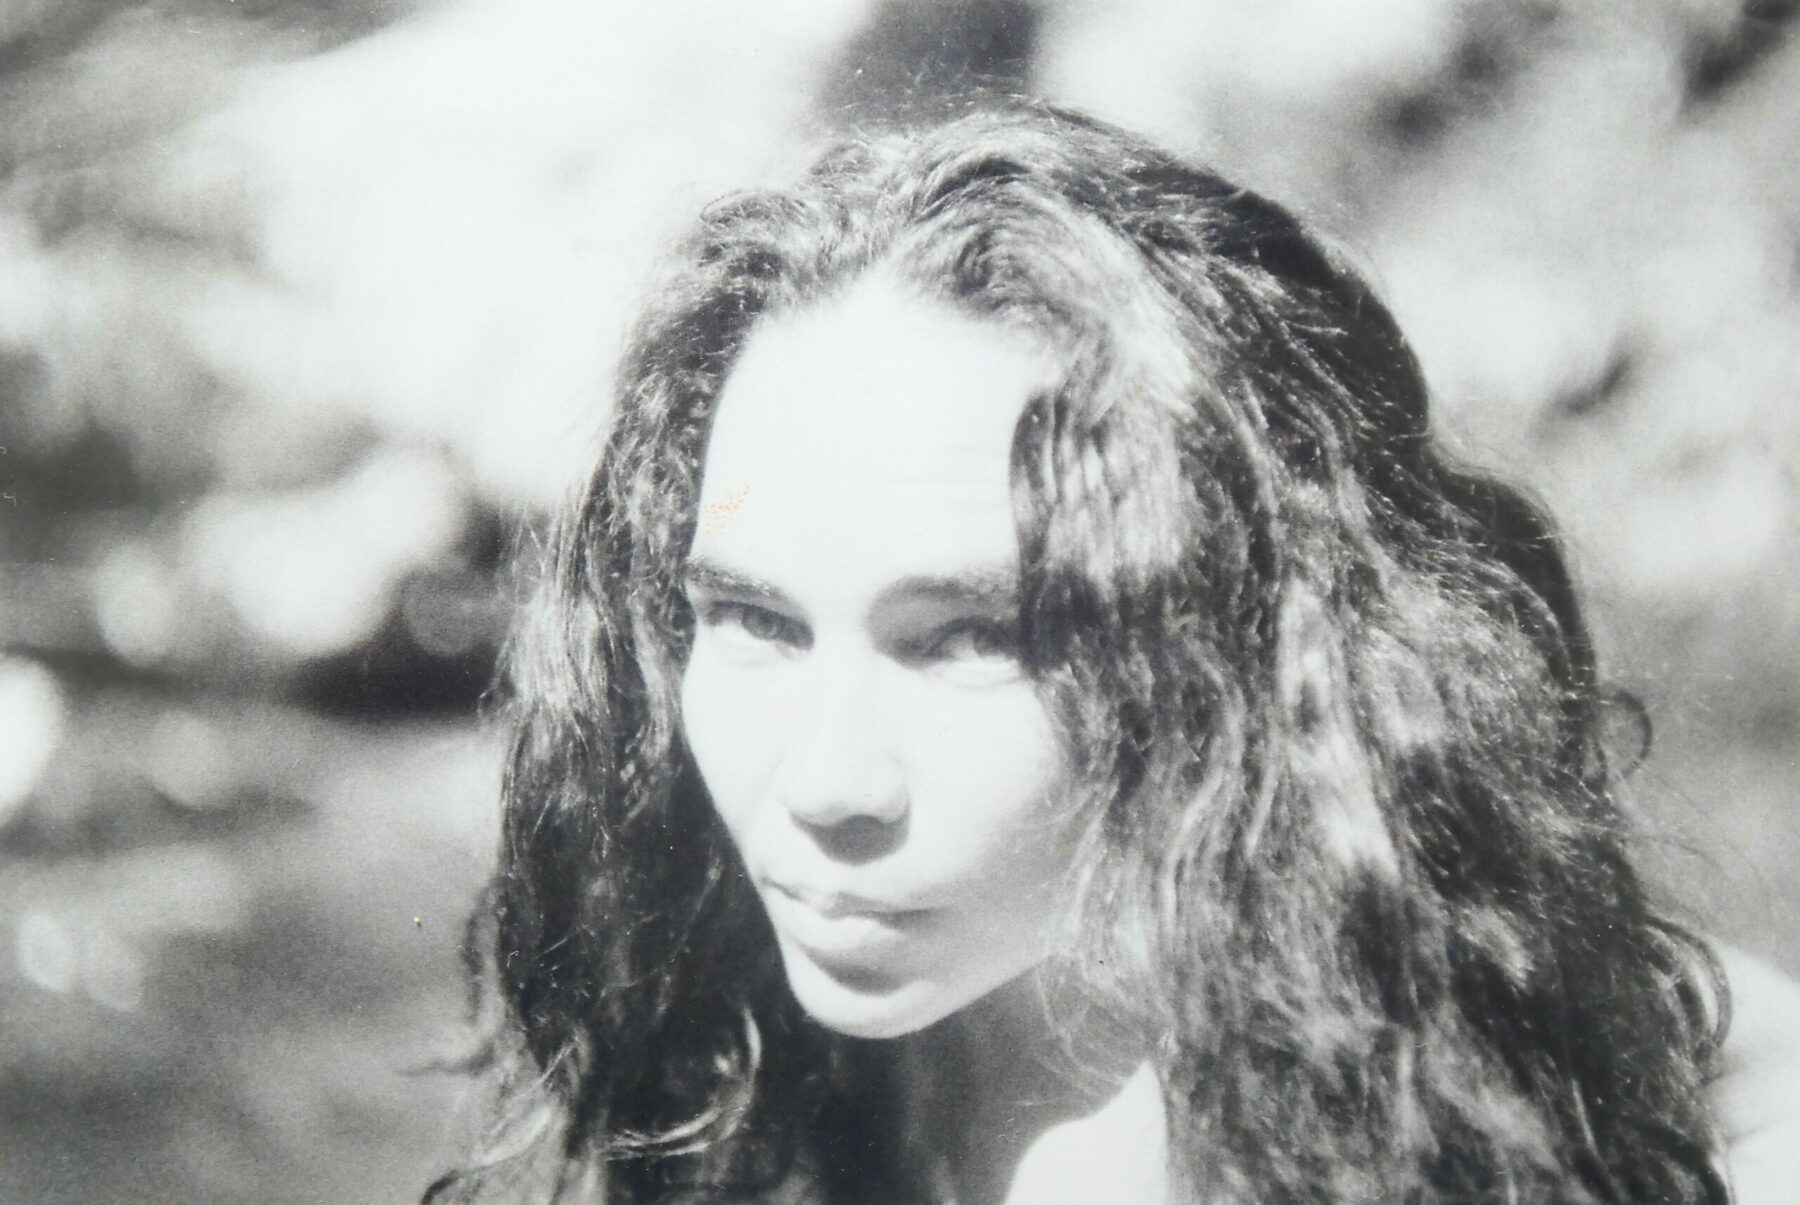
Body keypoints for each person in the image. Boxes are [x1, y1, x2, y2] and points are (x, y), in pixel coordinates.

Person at [431, 104, 1798, 1204]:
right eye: (754, 620)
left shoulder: (1676, 1121)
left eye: (969, 640)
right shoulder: (713, 1058)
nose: (824, 785)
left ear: (1233, 648)